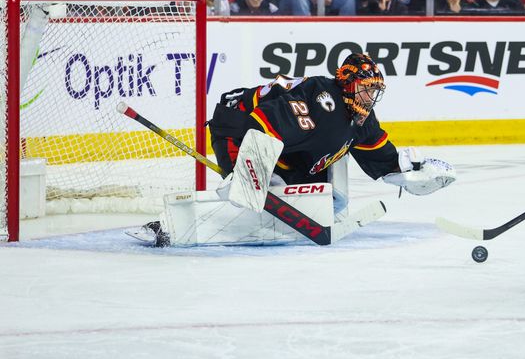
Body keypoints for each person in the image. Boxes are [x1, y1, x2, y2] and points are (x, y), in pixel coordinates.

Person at [131, 53, 455, 247]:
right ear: (347, 83)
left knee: (332, 200)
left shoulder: (358, 115)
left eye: (375, 91)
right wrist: (248, 174)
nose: (371, 97)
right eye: (366, 88)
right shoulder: (320, 99)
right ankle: (167, 226)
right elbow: (265, 121)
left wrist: (411, 174)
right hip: (238, 125)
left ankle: (265, 204)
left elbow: (379, 156)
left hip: (283, 148)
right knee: (252, 196)